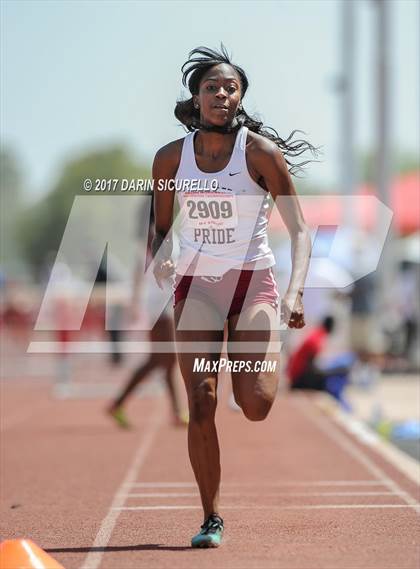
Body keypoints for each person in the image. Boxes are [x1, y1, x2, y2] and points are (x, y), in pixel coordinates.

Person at [152, 45, 315, 548]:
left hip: (252, 285)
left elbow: (301, 231)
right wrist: (161, 256)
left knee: (256, 404)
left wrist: (293, 293)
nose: (221, 94)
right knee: (200, 401)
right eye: (211, 87)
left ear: (240, 96)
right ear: (196, 97)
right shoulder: (170, 157)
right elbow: (159, 229)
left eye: (230, 87)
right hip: (198, 288)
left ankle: (255, 367)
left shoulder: (260, 153)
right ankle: (211, 518)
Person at [107, 198, 187, 428]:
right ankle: (119, 403)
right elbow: (160, 269)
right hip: (159, 304)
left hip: (164, 302)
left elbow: (140, 267)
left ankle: (172, 411)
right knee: (162, 358)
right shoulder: (156, 233)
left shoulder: (163, 231)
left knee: (164, 359)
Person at [287, 315, 353, 398]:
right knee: (340, 371)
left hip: (297, 375)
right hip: (298, 378)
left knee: (336, 371)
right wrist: (329, 371)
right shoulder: (318, 339)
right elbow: (310, 367)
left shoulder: (317, 334)